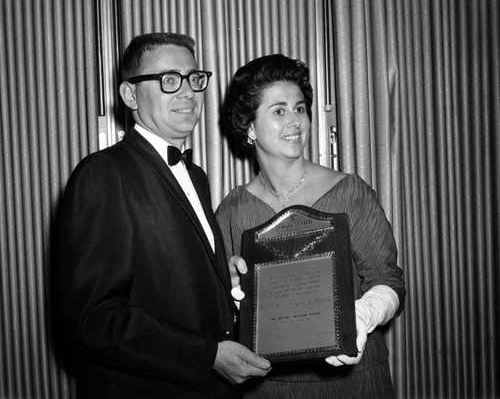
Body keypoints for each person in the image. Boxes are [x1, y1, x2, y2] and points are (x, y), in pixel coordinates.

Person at [56, 32, 271, 399]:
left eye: (194, 79)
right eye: (169, 80)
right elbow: (93, 319)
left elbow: (166, 277)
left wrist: (221, 273)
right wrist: (207, 356)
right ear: (129, 95)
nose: (188, 92)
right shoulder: (102, 174)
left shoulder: (197, 176)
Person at [216, 54, 406, 399]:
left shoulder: (350, 192)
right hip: (268, 386)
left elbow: (389, 281)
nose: (296, 121)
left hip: (354, 381)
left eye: (300, 108)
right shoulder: (232, 210)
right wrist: (226, 290)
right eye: (279, 111)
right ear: (250, 126)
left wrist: (362, 315)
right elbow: (217, 310)